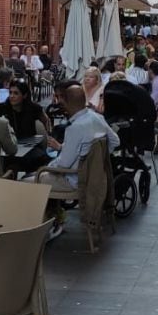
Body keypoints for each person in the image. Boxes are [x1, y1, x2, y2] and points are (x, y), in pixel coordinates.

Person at [40, 85, 120, 238]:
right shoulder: (96, 117)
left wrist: (48, 166)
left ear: (67, 103)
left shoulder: (75, 128)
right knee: (42, 175)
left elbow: (63, 164)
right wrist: (96, 159)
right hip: (94, 177)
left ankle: (47, 225)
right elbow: (115, 141)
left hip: (75, 179)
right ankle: (56, 219)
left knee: (33, 181)